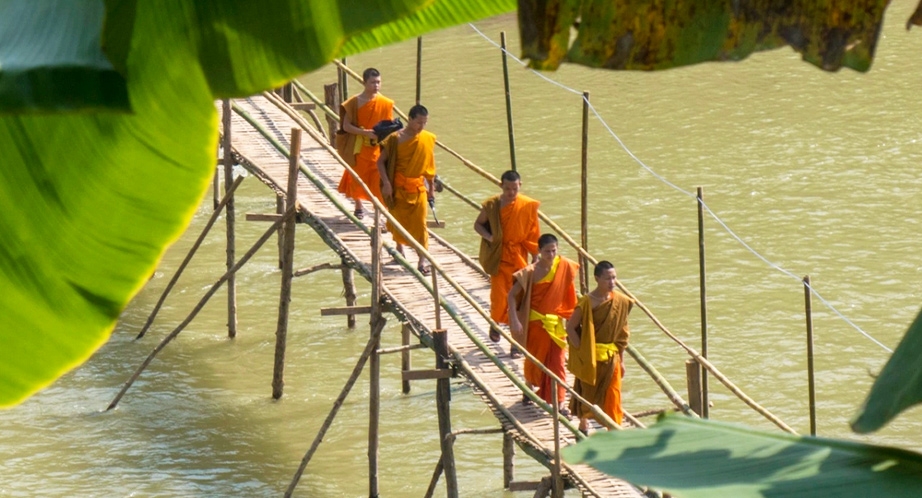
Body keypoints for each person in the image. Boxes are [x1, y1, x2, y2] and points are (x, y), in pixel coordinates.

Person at [508, 234, 578, 413]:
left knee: (558, 362)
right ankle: (529, 385)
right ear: (539, 251)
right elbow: (511, 295)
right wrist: (514, 321)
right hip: (536, 323)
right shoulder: (530, 271)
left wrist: (574, 321)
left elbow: (569, 296)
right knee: (534, 361)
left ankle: (560, 402)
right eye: (547, 251)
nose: (551, 254)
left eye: (554, 250)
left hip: (556, 324)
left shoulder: (564, 266)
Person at [474, 170, 540, 358]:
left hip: (519, 258)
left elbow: (533, 234)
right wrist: (491, 237)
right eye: (507, 188)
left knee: (518, 302)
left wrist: (535, 258)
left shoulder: (527, 205)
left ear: (520, 185)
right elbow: (478, 225)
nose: (511, 192)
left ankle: (515, 344)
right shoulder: (493, 205)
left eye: (514, 188)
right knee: (499, 298)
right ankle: (495, 322)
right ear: (501, 185)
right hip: (499, 258)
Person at [566, 261, 633, 434]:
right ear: (597, 278)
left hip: (612, 359)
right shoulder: (587, 302)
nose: (612, 282)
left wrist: (622, 361)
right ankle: (583, 424)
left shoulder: (620, 302)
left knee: (613, 396)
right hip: (591, 359)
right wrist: (582, 351)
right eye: (607, 278)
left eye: (614, 278)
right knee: (588, 395)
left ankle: (613, 431)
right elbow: (570, 327)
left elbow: (622, 336)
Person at [378, 104, 437, 274]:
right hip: (398, 188)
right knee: (397, 221)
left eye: (425, 123)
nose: (422, 126)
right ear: (409, 119)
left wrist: (431, 188)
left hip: (418, 189)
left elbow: (430, 167)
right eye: (419, 122)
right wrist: (387, 184)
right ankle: (399, 247)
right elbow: (380, 162)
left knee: (421, 225)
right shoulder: (395, 139)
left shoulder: (427, 138)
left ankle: (421, 261)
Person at [336, 68, 394, 218]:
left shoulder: (385, 103)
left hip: (378, 148)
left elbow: (390, 125)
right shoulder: (354, 103)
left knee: (378, 181)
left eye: (378, 82)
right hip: (360, 147)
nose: (376, 85)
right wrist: (365, 132)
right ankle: (358, 206)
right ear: (364, 82)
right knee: (358, 177)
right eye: (373, 82)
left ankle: (379, 214)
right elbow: (346, 126)